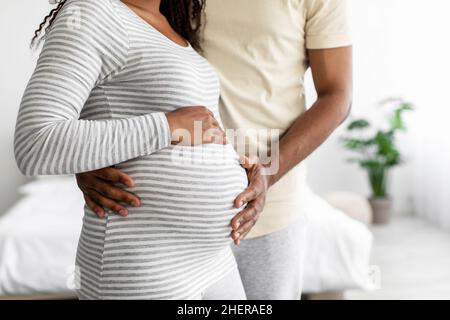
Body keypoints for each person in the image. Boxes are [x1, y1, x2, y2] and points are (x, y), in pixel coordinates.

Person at [72, 0, 353, 300]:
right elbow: (107, 68)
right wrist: (83, 153)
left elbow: (337, 96)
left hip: (269, 211)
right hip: (154, 223)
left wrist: (267, 174)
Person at [14, 0, 254, 300]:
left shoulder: (168, 23)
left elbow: (195, 125)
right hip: (142, 261)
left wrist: (236, 163)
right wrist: (166, 126)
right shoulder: (92, 12)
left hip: (213, 260)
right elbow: (35, 141)